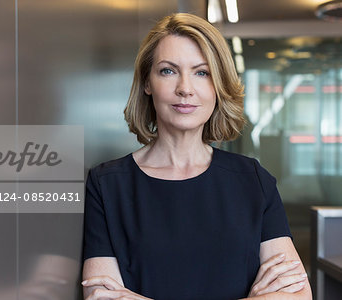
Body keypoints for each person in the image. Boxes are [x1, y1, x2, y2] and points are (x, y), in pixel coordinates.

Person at [81, 13, 312, 300]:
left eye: (202, 72)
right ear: (147, 82)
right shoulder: (106, 185)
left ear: (218, 86)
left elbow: (297, 294)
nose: (185, 89)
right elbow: (101, 296)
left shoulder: (253, 180)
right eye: (168, 70)